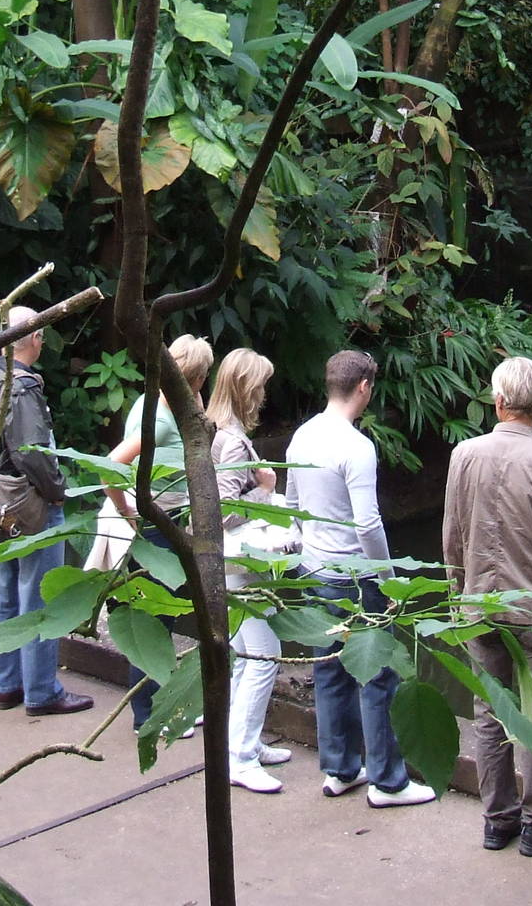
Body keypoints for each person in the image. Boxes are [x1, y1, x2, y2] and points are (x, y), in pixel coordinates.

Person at [442, 355, 532, 856]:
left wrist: (456, 592)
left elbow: (453, 536)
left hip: (479, 607)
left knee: (488, 713)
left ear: (498, 400)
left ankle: (497, 820)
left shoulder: (464, 455)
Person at [286, 349, 434, 808]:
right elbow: (368, 524)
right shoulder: (357, 447)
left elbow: (291, 505)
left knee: (329, 669)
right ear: (364, 387)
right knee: (378, 675)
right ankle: (389, 781)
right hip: (355, 576)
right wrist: (387, 578)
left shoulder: (302, 437)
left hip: (315, 571)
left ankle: (340, 768)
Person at [0, 306, 93, 716]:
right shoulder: (21, 387)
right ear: (34, 339)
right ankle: (41, 691)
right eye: (42, 335)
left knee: (1, 592)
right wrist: (57, 491)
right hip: (27, 503)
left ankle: (6, 683)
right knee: (39, 597)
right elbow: (32, 451)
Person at [102, 333, 214, 733]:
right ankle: (149, 717)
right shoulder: (162, 423)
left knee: (161, 618)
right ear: (196, 379)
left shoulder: (153, 403)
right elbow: (111, 465)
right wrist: (125, 509)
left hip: (162, 525)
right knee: (156, 621)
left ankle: (161, 707)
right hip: (156, 529)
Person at [207, 347, 293, 793]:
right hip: (239, 561)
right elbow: (220, 513)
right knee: (263, 655)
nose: (263, 393)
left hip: (232, 562)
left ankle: (244, 741)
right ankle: (240, 757)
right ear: (245, 387)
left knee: (245, 654)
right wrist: (265, 491)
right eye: (259, 384)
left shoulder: (222, 431)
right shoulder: (232, 440)